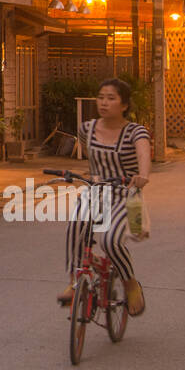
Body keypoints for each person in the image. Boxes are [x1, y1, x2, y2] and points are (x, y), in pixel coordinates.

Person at [57, 78, 152, 316]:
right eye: (101, 97)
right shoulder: (86, 128)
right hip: (97, 191)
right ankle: (74, 281)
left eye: (111, 98)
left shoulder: (135, 131)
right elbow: (91, 157)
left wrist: (142, 175)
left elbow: (144, 155)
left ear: (124, 105)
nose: (104, 102)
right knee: (76, 225)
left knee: (110, 241)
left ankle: (130, 284)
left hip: (127, 195)